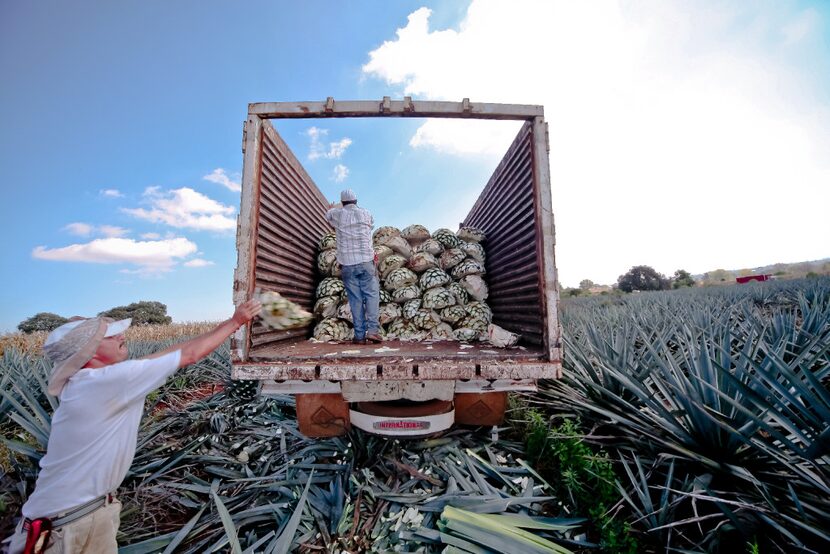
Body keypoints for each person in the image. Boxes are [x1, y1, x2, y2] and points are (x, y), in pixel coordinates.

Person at [3, 299, 261, 554]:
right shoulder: (107, 382)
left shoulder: (91, 381)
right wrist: (236, 321)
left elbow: (168, 354)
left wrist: (227, 324)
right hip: (65, 529)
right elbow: (191, 355)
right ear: (90, 352)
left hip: (79, 516)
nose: (121, 336)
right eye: (110, 336)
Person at [325, 188, 382, 345]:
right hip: (366, 261)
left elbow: (327, 215)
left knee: (355, 300)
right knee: (371, 295)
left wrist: (335, 207)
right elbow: (371, 223)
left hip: (348, 264)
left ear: (342, 203)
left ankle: (359, 336)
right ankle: (373, 332)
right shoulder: (366, 213)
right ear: (356, 201)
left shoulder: (338, 214)